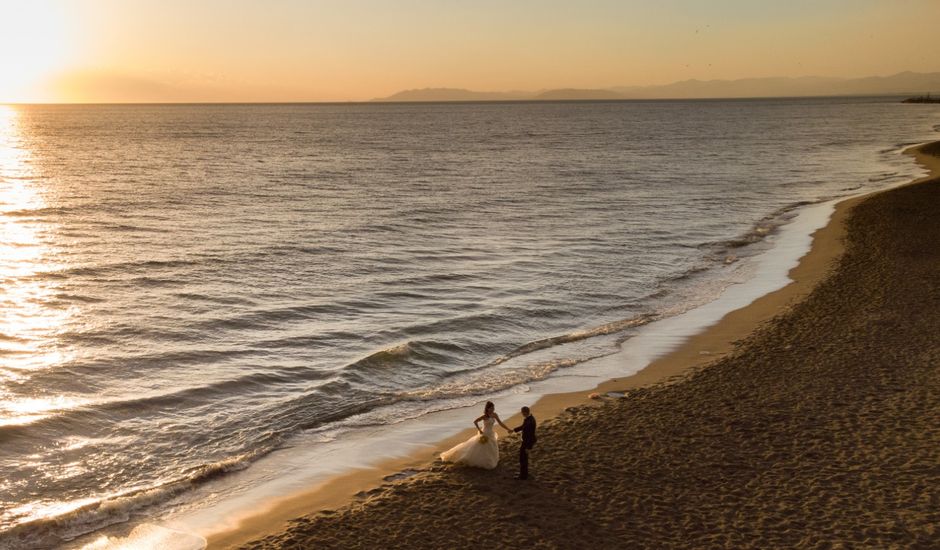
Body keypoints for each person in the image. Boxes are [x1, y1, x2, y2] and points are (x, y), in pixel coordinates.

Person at [440, 401, 510, 469]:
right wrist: (479, 430)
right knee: (481, 447)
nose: (492, 409)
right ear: (487, 408)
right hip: (484, 433)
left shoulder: (495, 415)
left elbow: (500, 423)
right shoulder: (484, 416)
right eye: (491, 408)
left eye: (493, 408)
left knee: (491, 447)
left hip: (490, 433)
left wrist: (507, 428)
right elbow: (475, 422)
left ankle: (490, 460)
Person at [512, 406, 537, 480]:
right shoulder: (529, 418)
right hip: (526, 441)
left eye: (522, 412)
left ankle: (523, 476)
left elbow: (530, 435)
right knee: (523, 458)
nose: (521, 413)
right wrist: (514, 430)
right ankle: (523, 473)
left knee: (522, 458)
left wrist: (528, 447)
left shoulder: (530, 421)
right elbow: (523, 426)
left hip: (527, 442)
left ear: (525, 412)